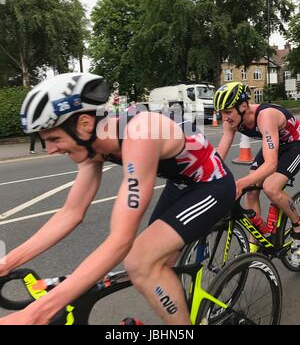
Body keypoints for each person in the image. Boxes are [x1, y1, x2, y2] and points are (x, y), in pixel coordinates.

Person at [0, 73, 236, 325]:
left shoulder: (140, 134)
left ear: (83, 124)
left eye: (55, 139)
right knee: (157, 262)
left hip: (211, 185)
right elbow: (70, 213)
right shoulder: (93, 146)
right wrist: (7, 263)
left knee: (138, 261)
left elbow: (121, 239)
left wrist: (38, 313)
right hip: (180, 184)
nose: (51, 150)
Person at [214, 81, 300, 258]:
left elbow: (271, 164)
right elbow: (220, 154)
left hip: (294, 145)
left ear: (243, 106)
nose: (224, 118)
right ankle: (256, 240)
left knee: (270, 187)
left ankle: (297, 224)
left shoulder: (265, 116)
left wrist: (240, 183)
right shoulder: (231, 120)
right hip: (273, 144)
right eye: (221, 113)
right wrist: (206, 177)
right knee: (251, 192)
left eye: (228, 112)